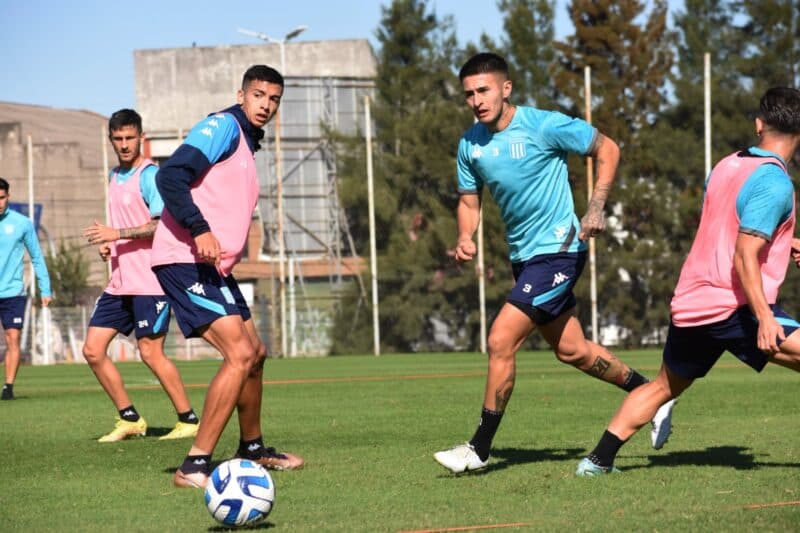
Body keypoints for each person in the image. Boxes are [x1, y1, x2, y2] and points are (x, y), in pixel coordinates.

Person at [433, 52, 675, 473]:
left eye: (484, 90)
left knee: (500, 340)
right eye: (469, 94)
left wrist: (596, 206)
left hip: (560, 250)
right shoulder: (470, 144)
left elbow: (608, 148)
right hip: (524, 258)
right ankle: (652, 394)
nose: (476, 100)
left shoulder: (543, 125)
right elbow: (469, 201)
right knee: (573, 351)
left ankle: (479, 448)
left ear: (506, 88)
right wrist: (465, 236)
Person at [575, 87, 800, 475]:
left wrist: (785, 239)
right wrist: (765, 318)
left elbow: (726, 228)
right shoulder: (776, 183)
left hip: (691, 305)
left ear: (759, 125)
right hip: (735, 306)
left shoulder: (728, 164)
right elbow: (743, 254)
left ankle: (596, 462)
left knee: (663, 387)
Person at [151, 65, 304, 488]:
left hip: (214, 267)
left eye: (274, 99)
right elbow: (170, 175)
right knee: (238, 354)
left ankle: (252, 449)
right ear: (241, 95)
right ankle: (194, 465)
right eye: (258, 95)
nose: (266, 105)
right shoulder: (222, 127)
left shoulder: (246, 143)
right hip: (184, 259)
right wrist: (199, 228)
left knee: (255, 353)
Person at [81, 109, 199, 442]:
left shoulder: (150, 176)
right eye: (118, 139)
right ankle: (129, 418)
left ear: (141, 138)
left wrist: (116, 234)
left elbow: (160, 225)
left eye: (130, 138)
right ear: (110, 140)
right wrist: (110, 246)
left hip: (150, 281)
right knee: (92, 350)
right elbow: (121, 226)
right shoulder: (113, 175)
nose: (124, 144)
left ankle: (189, 420)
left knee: (150, 352)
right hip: (120, 282)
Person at [0, 177, 52, 400]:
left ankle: (8, 387)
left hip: (13, 293)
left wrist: (45, 289)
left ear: (8, 197)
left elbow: (37, 257)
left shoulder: (22, 223)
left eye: (1, 197)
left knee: (13, 338)